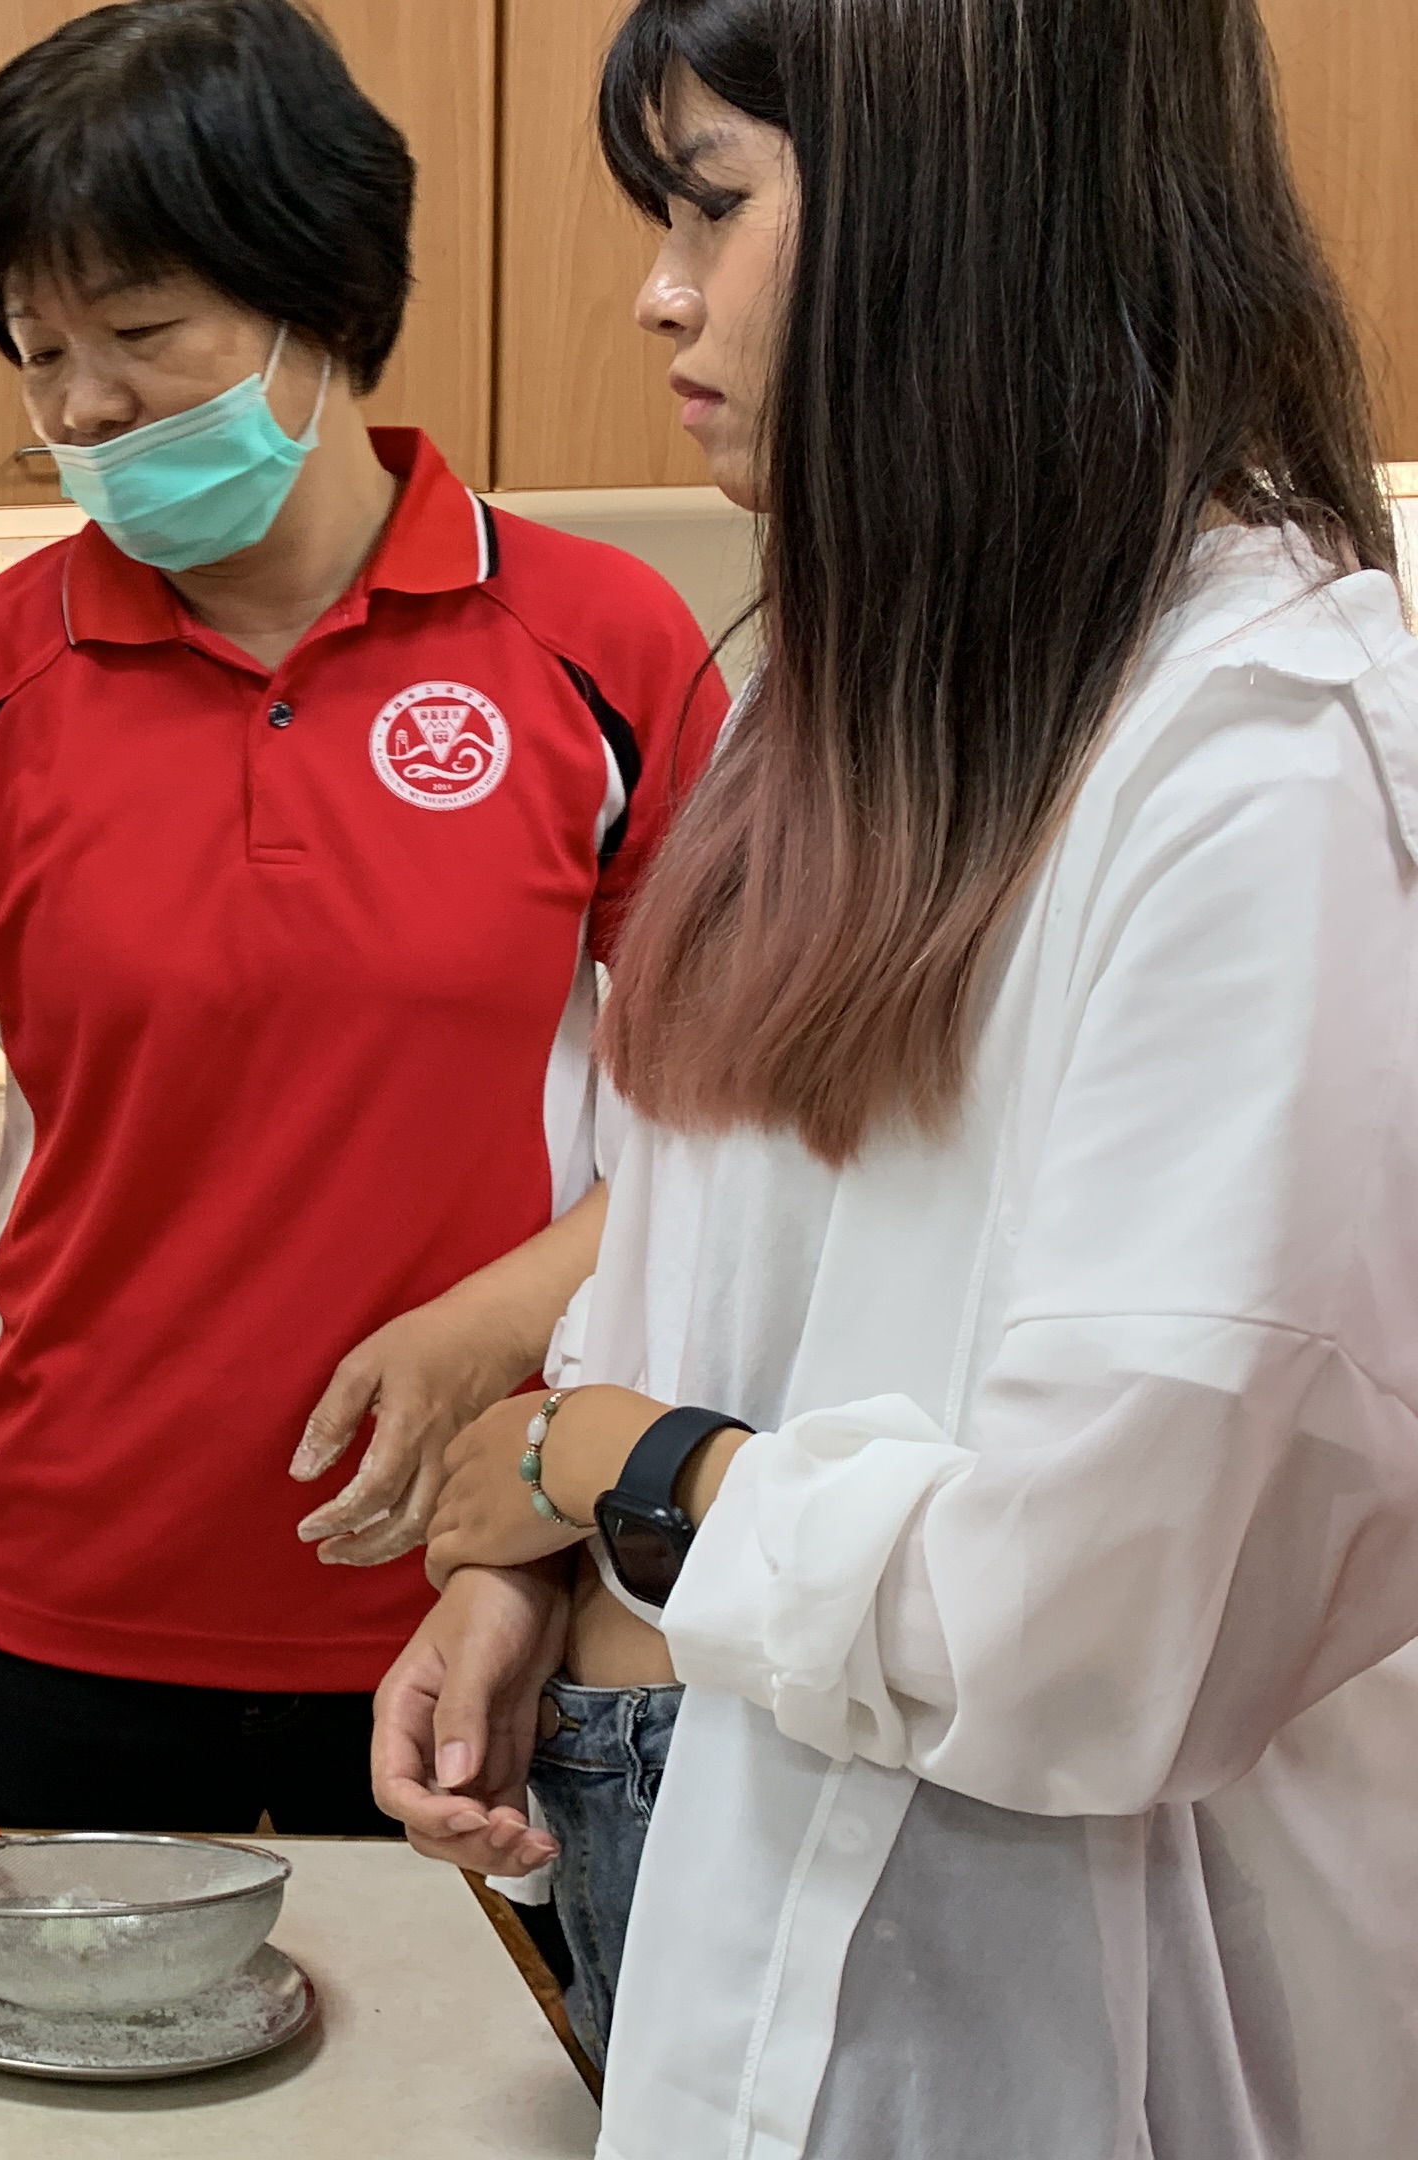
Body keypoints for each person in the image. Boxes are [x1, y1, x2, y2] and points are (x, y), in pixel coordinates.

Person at [379, 0, 1418, 2147]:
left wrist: (612, 1472)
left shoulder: (1261, 763)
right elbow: (707, 1268)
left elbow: (1084, 1608)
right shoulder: (852, 685)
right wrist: (525, 1576)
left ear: (974, 216)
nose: (658, 287)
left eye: (716, 203)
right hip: (746, 1909)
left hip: (1079, 2026)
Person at [0, 0, 730, 1840]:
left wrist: (497, 1310)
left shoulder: (600, 649)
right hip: (42, 1606)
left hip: (470, 1587)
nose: (82, 410)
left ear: (319, 300)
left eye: (137, 335)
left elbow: (737, 1123)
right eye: (39, 353)